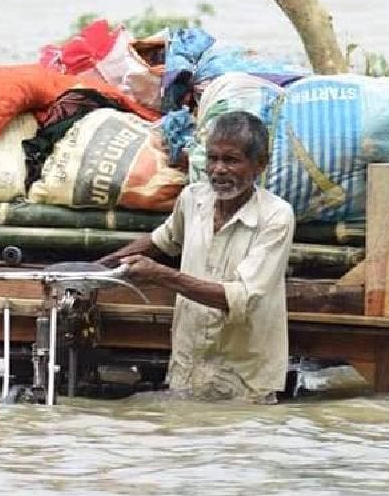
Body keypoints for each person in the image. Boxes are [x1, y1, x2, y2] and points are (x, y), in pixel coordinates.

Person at [99, 111, 295, 403]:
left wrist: (160, 275)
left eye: (230, 160)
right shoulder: (193, 199)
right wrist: (98, 269)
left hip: (243, 379)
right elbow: (161, 240)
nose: (218, 169)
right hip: (188, 368)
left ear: (260, 164)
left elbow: (240, 298)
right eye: (212, 158)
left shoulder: (276, 216)